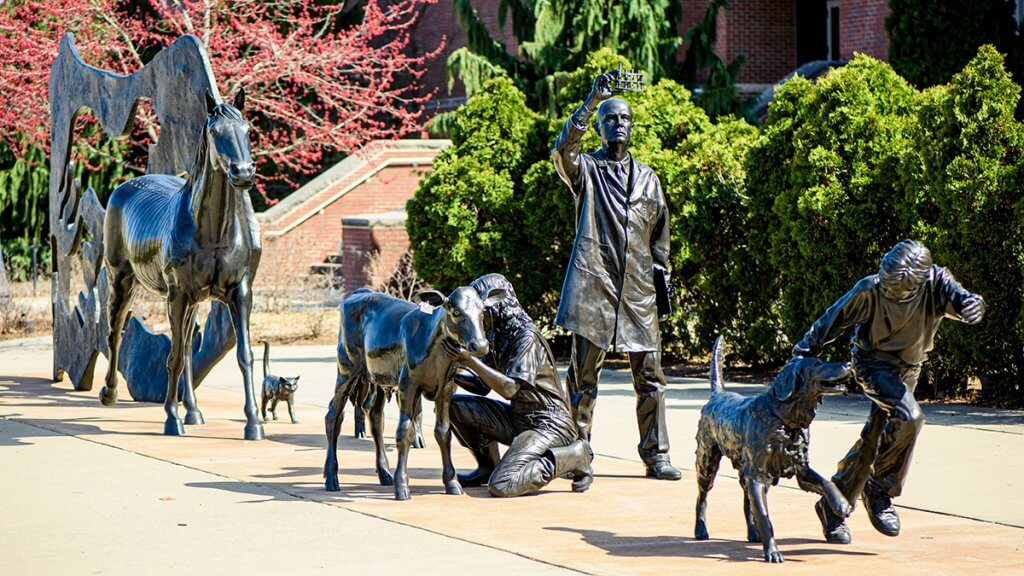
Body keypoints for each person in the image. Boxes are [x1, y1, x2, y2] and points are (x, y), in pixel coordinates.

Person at [793, 240, 985, 544]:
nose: (889, 293)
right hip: (873, 364)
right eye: (887, 287)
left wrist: (973, 305)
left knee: (874, 441)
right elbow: (833, 319)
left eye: (898, 292)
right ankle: (879, 490)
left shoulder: (937, 282)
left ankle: (832, 507)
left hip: (909, 368)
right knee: (910, 417)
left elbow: (962, 301)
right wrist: (802, 354)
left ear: (919, 284)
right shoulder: (870, 288)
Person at [550, 71, 680, 480]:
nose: (618, 125)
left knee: (651, 379)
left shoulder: (648, 178)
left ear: (632, 127)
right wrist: (591, 101)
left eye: (624, 119)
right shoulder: (586, 170)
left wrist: (662, 282)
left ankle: (656, 455)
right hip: (594, 288)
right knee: (582, 380)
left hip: (639, 293)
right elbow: (562, 149)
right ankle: (577, 457)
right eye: (611, 119)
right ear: (601, 127)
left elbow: (660, 236)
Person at [444, 273, 593, 498]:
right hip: (518, 418)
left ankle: (576, 455)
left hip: (549, 424)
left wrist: (469, 361)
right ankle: (487, 466)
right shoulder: (497, 337)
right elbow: (482, 386)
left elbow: (510, 388)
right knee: (456, 406)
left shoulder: (527, 338)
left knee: (503, 484)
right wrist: (450, 373)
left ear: (496, 306)